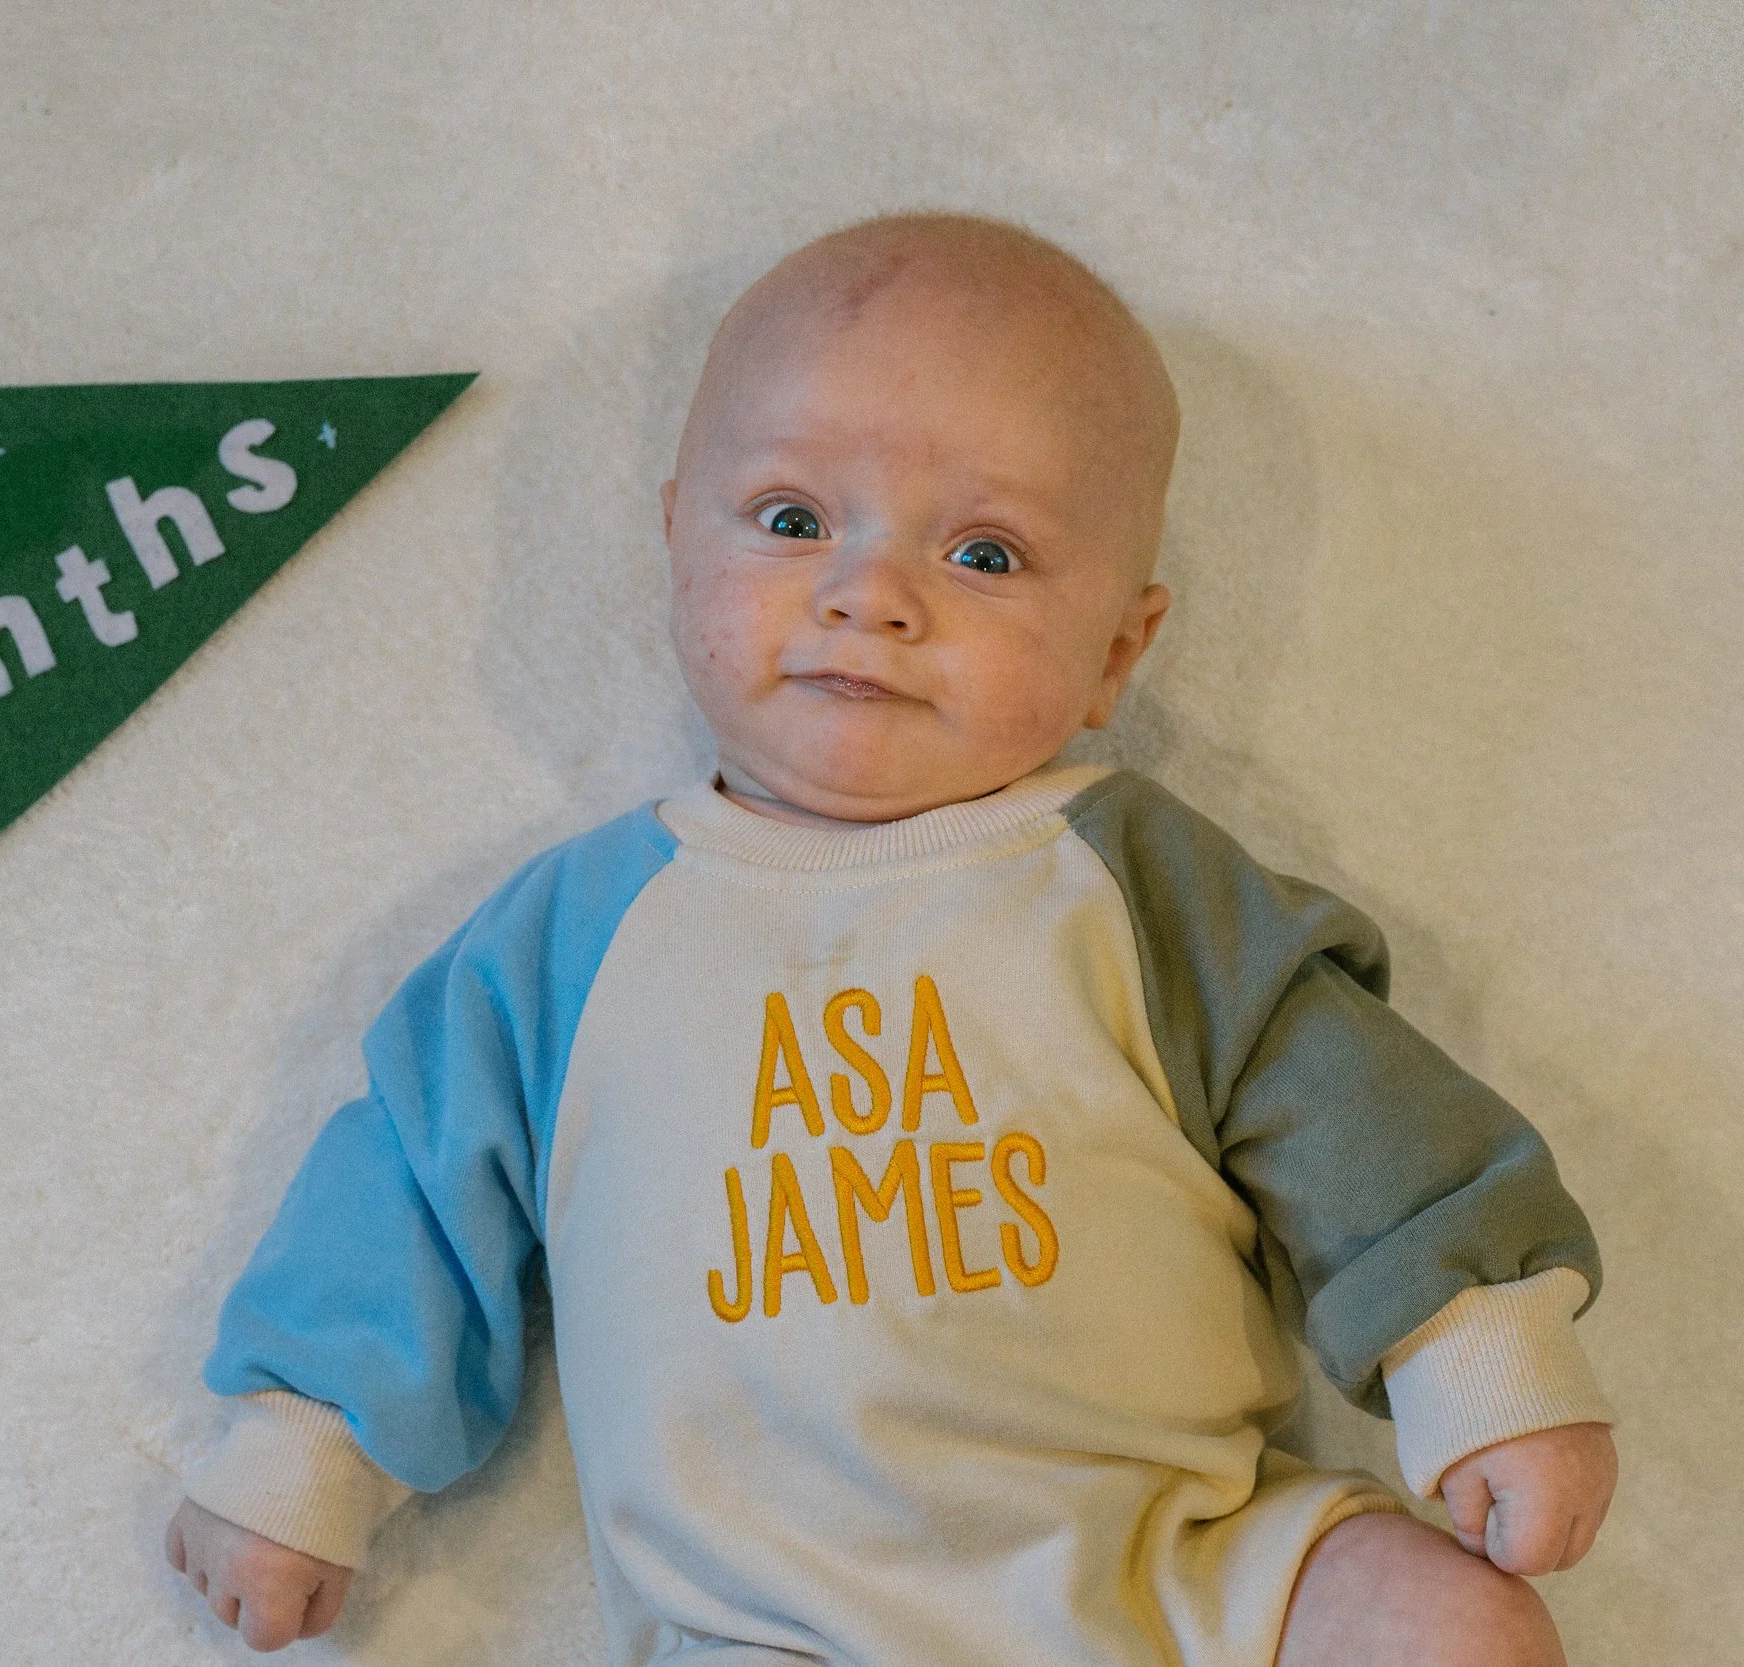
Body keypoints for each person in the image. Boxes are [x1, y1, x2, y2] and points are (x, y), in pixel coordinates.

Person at [164, 213, 1618, 1667]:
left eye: (985, 553)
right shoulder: (573, 936)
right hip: (770, 1622)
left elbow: (1357, 1115)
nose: (871, 596)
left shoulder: (1134, 882)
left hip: (1185, 1564)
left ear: (1117, 651)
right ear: (675, 540)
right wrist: (302, 1451)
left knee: (1455, 1624)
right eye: (794, 521)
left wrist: (1476, 1353)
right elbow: (416, 1183)